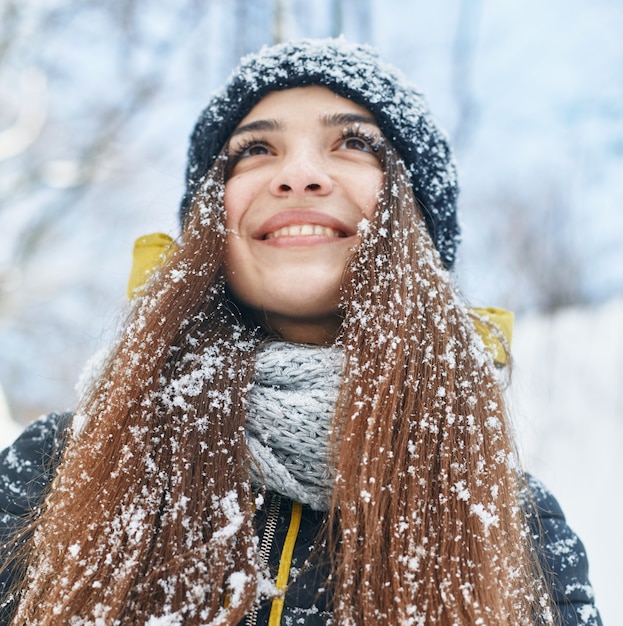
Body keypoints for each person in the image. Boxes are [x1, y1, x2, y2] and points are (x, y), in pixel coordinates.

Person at [0, 38, 602, 625]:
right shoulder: (58, 466)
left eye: (355, 143)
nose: (299, 174)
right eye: (255, 150)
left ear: (417, 224)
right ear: (211, 222)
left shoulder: (518, 524)